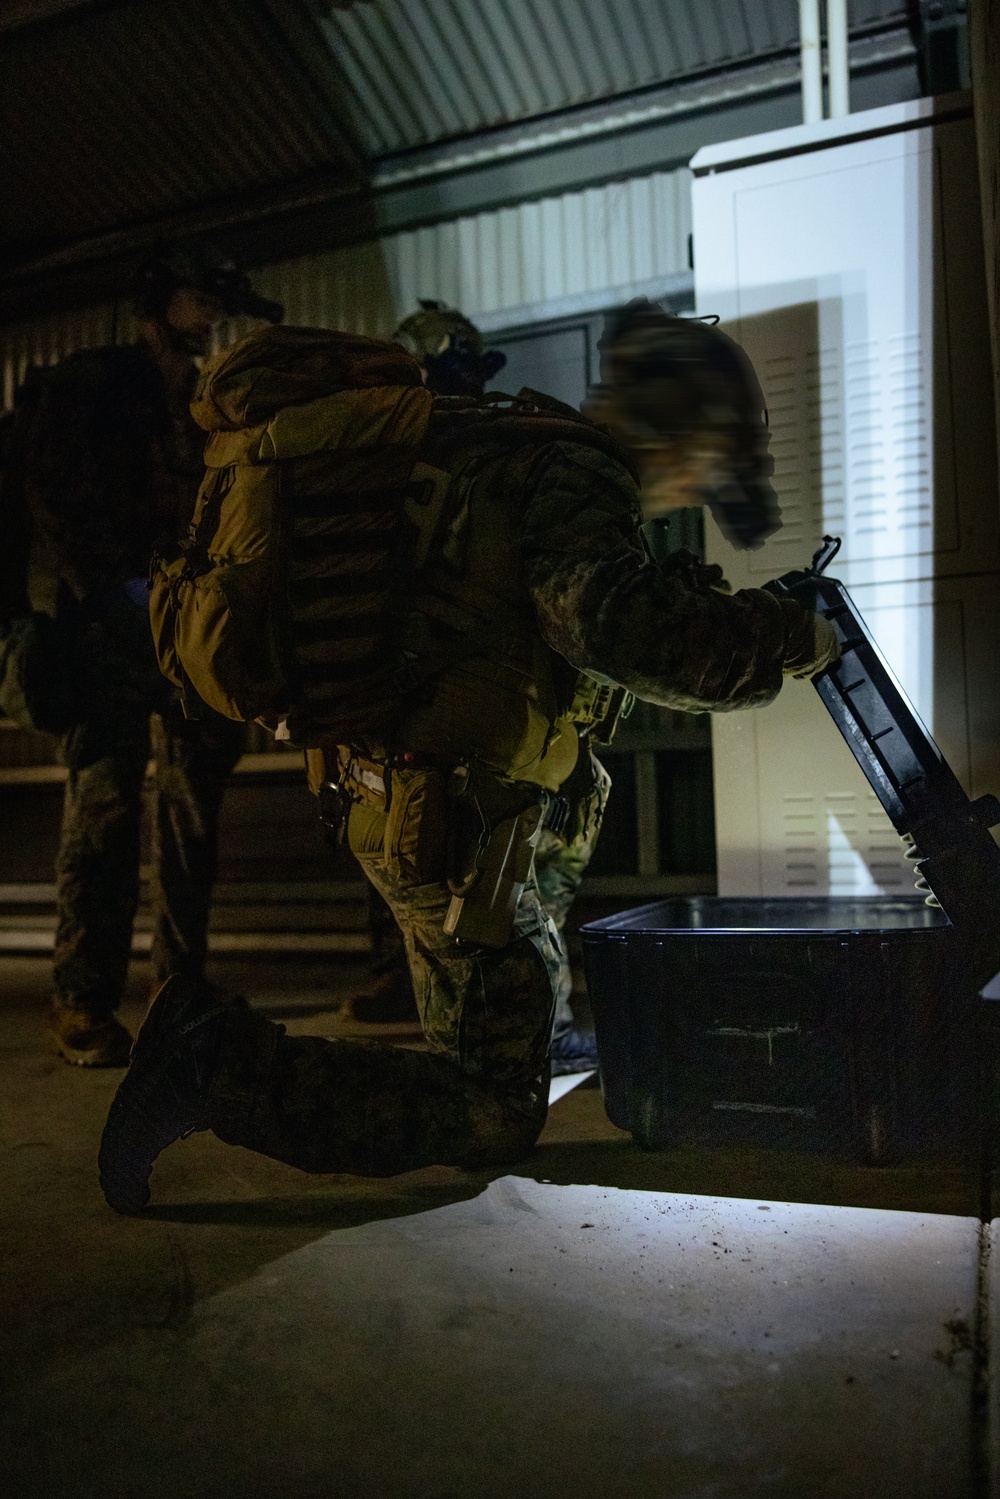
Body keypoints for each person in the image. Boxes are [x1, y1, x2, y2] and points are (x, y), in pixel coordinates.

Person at [98, 302, 838, 1211]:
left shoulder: (502, 438)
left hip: (409, 786)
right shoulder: (573, 470)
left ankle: (525, 1026)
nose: (717, 474)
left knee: (556, 832)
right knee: (491, 1112)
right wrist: (786, 637)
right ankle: (217, 1061)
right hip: (442, 815)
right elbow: (614, 626)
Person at [15, 244, 282, 1066]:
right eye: (199, 302)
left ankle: (178, 984)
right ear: (158, 305)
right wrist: (111, 589)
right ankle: (83, 1000)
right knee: (105, 809)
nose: (211, 320)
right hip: (110, 629)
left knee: (194, 807)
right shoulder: (94, 384)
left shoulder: (211, 401)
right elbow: (51, 490)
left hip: (187, 627)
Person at [362, 300, 610, 1077]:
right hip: (450, 739)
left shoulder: (400, 458)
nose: (470, 382)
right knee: (487, 1092)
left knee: (464, 891)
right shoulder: (437, 458)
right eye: (457, 365)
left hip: (408, 743)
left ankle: (497, 1028)